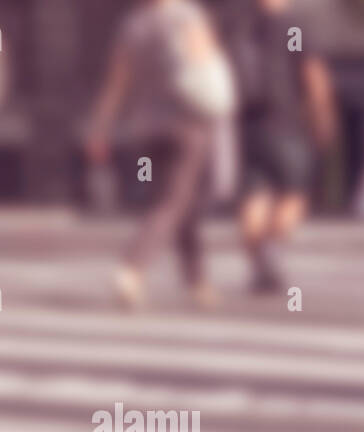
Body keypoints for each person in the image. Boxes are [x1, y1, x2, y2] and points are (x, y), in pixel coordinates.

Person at [86, 0, 229, 309]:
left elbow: (117, 82)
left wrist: (101, 127)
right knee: (172, 201)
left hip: (146, 130)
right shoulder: (188, 16)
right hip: (188, 124)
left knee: (182, 202)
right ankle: (132, 267)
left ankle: (197, 281)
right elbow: (204, 64)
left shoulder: (132, 25)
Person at [232, 0, 336, 294]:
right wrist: (323, 119)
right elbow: (313, 74)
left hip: (248, 125)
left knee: (254, 195)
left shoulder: (243, 24)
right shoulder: (294, 26)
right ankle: (271, 248)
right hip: (286, 124)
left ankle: (259, 261)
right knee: (294, 194)